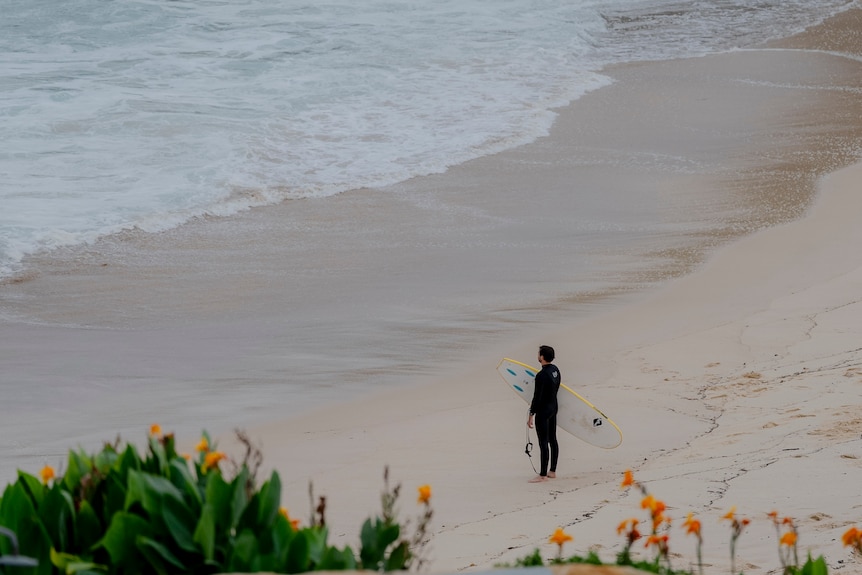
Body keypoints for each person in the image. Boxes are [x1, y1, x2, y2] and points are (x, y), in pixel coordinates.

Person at [527, 345, 561, 483]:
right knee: (553, 439)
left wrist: (531, 414)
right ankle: (552, 471)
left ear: (541, 357)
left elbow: (537, 396)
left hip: (543, 411)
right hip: (553, 408)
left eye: (538, 353)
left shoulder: (541, 375)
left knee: (543, 442)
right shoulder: (555, 370)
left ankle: (542, 475)